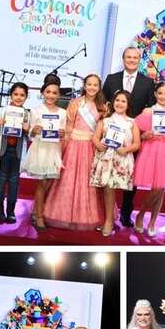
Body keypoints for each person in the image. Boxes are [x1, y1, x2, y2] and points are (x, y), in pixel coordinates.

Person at [43, 73, 106, 230]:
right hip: (73, 146)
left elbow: (103, 128)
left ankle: (88, 216)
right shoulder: (76, 103)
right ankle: (59, 213)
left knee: (88, 182)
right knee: (67, 180)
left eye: (95, 85)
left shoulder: (103, 106)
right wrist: (64, 145)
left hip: (91, 146)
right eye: (89, 84)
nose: (92, 87)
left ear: (99, 87)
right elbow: (69, 125)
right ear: (84, 86)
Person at [102, 46, 155, 228]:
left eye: (135, 57)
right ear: (123, 58)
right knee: (108, 173)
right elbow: (104, 104)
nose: (131, 60)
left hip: (135, 136)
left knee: (131, 175)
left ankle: (126, 213)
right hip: (111, 135)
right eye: (128, 57)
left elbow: (151, 110)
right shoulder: (111, 79)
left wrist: (145, 132)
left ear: (139, 60)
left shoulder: (148, 82)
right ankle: (107, 214)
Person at [132, 81, 165, 237]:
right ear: (155, 94)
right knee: (156, 188)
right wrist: (145, 135)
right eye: (160, 93)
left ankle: (152, 222)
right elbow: (137, 133)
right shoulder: (148, 112)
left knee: (161, 189)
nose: (163, 96)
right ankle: (141, 214)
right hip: (151, 151)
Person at [91, 90, 141, 237]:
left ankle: (111, 219)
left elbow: (137, 143)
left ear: (128, 105)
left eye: (123, 101)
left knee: (114, 187)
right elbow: (95, 137)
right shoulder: (105, 120)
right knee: (107, 189)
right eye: (117, 100)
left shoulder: (132, 123)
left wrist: (126, 149)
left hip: (122, 159)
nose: (120, 103)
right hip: (106, 158)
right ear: (113, 102)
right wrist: (99, 145)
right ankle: (108, 221)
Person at [22, 78, 67, 230]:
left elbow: (63, 133)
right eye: (48, 92)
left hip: (54, 150)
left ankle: (36, 211)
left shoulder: (63, 113)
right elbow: (30, 132)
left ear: (59, 95)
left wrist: (62, 133)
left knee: (48, 183)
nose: (51, 95)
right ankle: (39, 217)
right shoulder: (35, 110)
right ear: (42, 93)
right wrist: (33, 130)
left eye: (54, 93)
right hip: (40, 150)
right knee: (41, 183)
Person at [0, 82, 31, 223]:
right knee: (0, 181)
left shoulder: (27, 114)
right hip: (3, 150)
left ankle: (11, 211)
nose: (19, 98)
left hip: (18, 152)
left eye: (22, 95)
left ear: (26, 97)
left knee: (14, 182)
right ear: (11, 94)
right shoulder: (1, 110)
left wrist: (27, 130)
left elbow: (30, 136)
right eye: (16, 94)